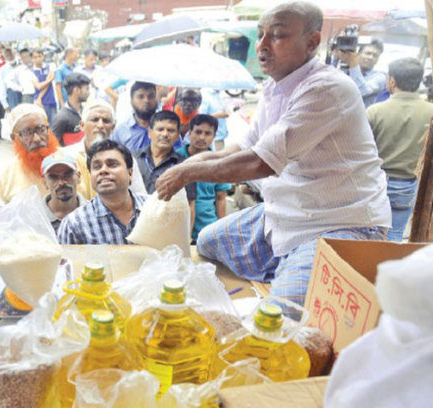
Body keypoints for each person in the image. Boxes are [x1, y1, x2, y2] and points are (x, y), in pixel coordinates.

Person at [155, 1, 390, 306]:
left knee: (280, 314)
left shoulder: (327, 88)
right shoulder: (273, 88)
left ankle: (296, 274)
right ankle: (291, 267)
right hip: (285, 214)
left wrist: (186, 172)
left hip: (337, 224)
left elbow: (259, 162)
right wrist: (190, 162)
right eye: (261, 34)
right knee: (207, 242)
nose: (262, 45)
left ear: (312, 42)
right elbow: (242, 148)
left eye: (277, 35)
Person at [367, 58, 433, 242]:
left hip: (376, 184)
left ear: (392, 81)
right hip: (409, 185)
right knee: (395, 236)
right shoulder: (430, 111)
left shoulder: (375, 111)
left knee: (369, 236)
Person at [58, 140, 146, 245]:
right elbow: (67, 261)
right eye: (97, 167)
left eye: (112, 165)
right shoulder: (75, 224)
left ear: (130, 173)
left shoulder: (155, 208)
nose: (103, 171)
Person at [70, 101, 148, 200]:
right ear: (82, 125)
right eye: (94, 120)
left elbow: (140, 195)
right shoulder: (68, 156)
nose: (100, 125)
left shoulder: (124, 157)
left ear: (113, 127)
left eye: (106, 121)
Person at [134, 110, 196, 225]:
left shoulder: (184, 166)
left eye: (171, 130)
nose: (165, 134)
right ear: (150, 133)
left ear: (177, 136)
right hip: (133, 226)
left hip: (167, 228)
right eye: (160, 129)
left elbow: (190, 204)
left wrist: (186, 239)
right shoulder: (133, 159)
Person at [177, 115, 232, 242]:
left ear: (214, 136)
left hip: (207, 228)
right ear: (190, 132)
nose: (202, 137)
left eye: (207, 133)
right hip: (179, 226)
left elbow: (221, 197)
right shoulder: (176, 158)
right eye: (198, 132)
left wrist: (221, 229)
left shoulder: (218, 163)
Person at [0, 104, 61, 204]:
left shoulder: (74, 161)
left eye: (41, 129)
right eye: (26, 133)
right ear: (14, 138)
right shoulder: (5, 177)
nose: (37, 139)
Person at [41, 152, 86, 233]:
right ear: (44, 182)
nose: (61, 182)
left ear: (78, 177)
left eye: (67, 175)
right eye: (53, 177)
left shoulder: (94, 213)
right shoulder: (35, 217)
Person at [110, 81, 158, 151]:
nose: (146, 100)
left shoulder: (166, 129)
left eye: (151, 96)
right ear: (131, 102)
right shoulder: (121, 131)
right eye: (141, 97)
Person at [339, 40, 386, 108]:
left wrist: (353, 63)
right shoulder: (343, 68)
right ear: (358, 53)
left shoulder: (379, 77)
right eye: (367, 53)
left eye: (375, 56)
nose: (370, 58)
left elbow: (361, 91)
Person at [51, 72, 90, 146]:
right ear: (76, 91)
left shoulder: (85, 111)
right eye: (87, 89)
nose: (89, 93)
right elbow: (54, 144)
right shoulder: (62, 117)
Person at [31, 48, 57, 124]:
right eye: (35, 57)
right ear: (32, 58)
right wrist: (49, 80)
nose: (38, 59)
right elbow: (38, 86)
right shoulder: (31, 71)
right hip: (39, 103)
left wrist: (40, 97)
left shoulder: (50, 66)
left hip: (51, 100)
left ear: (43, 56)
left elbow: (47, 82)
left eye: (39, 56)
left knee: (53, 126)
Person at [0, 47, 22, 112]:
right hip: (12, 94)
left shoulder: (21, 64)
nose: (10, 57)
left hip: (23, 92)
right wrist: (5, 104)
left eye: (11, 54)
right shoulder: (3, 69)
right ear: (5, 57)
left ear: (14, 54)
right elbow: (2, 86)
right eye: (7, 55)